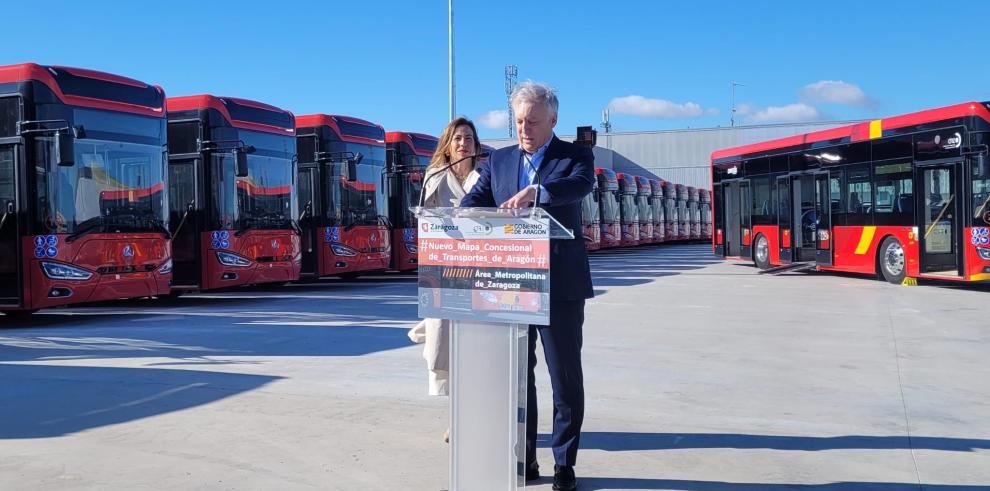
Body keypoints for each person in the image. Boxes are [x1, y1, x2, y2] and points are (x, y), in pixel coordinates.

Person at [460, 81, 594, 491]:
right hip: (511, 285)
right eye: (518, 121)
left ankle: (564, 465)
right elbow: (473, 204)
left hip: (560, 287)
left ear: (553, 120)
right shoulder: (498, 161)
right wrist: (455, 220)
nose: (524, 129)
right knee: (521, 378)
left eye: (533, 121)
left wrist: (541, 191)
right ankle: (527, 458)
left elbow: (580, 186)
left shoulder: (575, 156)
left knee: (564, 378)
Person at [407, 117, 484, 441]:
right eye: (457, 138)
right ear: (447, 145)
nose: (463, 143)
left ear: (476, 145)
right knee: (447, 348)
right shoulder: (435, 177)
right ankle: (458, 417)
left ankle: (478, 415)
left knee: (476, 348)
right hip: (445, 272)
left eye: (468, 138)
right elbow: (424, 222)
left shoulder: (487, 175)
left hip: (482, 271)